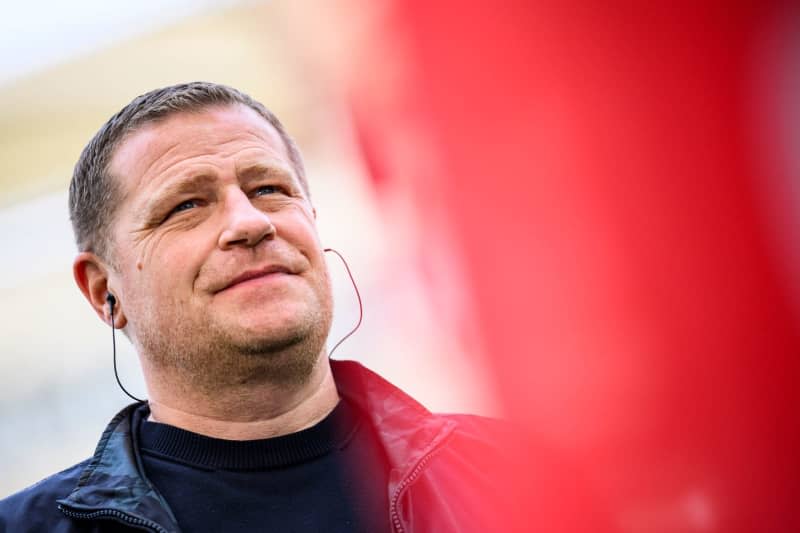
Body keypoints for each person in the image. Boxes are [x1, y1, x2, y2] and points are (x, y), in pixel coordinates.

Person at [0, 82, 510, 532]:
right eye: (186, 206)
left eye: (268, 189)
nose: (249, 223)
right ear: (102, 290)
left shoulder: (515, 476)